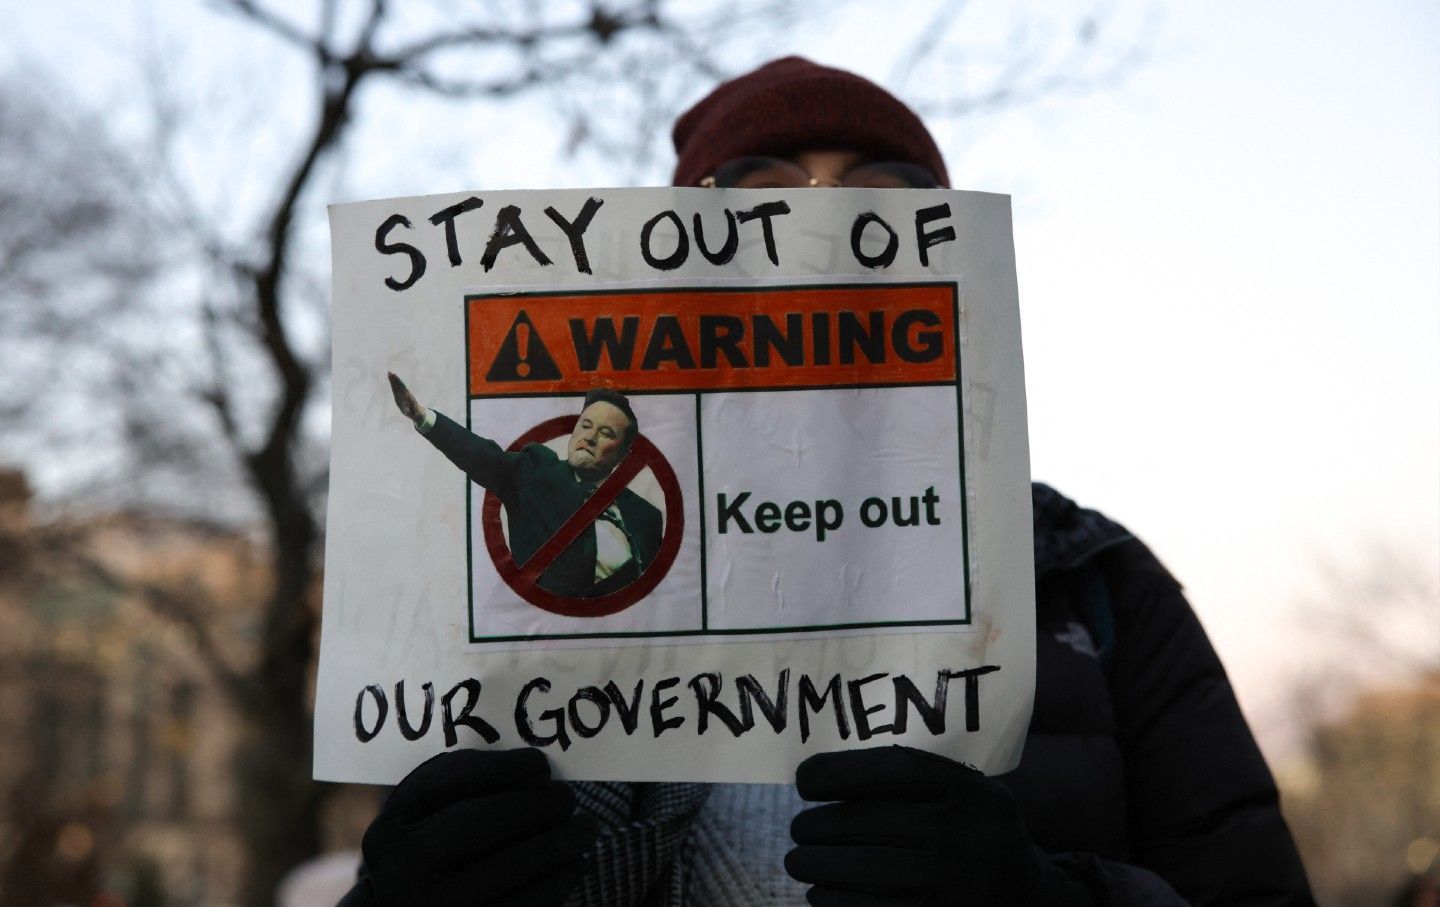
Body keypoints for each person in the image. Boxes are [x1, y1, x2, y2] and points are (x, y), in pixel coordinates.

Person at [344, 58, 1316, 906]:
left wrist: (1047, 896)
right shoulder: (528, 600)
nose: (818, 221)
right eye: (756, 194)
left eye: (883, 199)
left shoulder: (1091, 580)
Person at [388, 373, 662, 599]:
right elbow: (484, 457)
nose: (589, 438)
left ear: (624, 454)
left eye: (605, 433)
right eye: (585, 425)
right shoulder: (534, 471)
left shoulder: (647, 518)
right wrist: (423, 418)